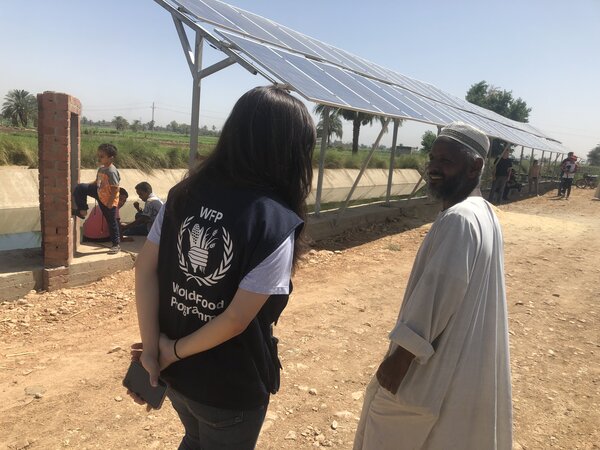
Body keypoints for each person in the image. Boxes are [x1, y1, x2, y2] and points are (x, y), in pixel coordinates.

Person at [128, 85, 315, 449]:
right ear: (291, 152)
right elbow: (234, 320)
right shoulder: (274, 222)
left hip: (177, 379)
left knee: (194, 438)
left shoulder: (184, 194)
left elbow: (144, 270)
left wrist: (154, 351)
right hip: (228, 388)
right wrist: (171, 350)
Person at [354, 122, 512, 450]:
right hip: (456, 360)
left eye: (446, 161)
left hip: (427, 370)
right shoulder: (482, 212)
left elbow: (440, 293)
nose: (434, 168)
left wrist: (401, 359)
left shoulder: (460, 219)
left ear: (475, 166)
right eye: (433, 158)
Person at [73, 143, 121, 254]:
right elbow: (97, 182)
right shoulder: (101, 169)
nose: (99, 158)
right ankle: (82, 211)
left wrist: (110, 203)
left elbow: (115, 189)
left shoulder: (111, 171)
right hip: (99, 192)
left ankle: (116, 244)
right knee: (80, 188)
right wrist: (86, 186)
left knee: (111, 221)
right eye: (98, 155)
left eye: (102, 156)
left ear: (111, 158)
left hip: (108, 199)